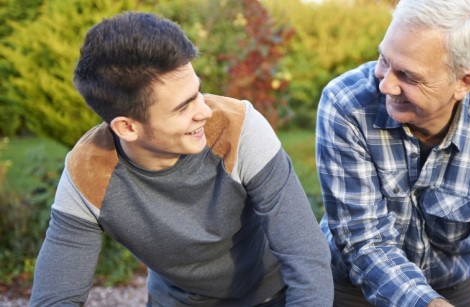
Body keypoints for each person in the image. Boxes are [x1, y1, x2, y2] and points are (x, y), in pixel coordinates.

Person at [30, 12, 333, 306]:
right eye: (183, 107)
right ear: (127, 127)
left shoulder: (240, 130)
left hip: (271, 295)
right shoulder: (89, 171)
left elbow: (305, 256)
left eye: (198, 92)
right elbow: (56, 295)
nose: (205, 111)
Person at [316, 0, 470, 306]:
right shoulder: (346, 104)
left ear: (464, 83)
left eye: (408, 76)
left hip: (453, 284)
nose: (386, 85)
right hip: (350, 283)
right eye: (384, 59)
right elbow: (364, 241)